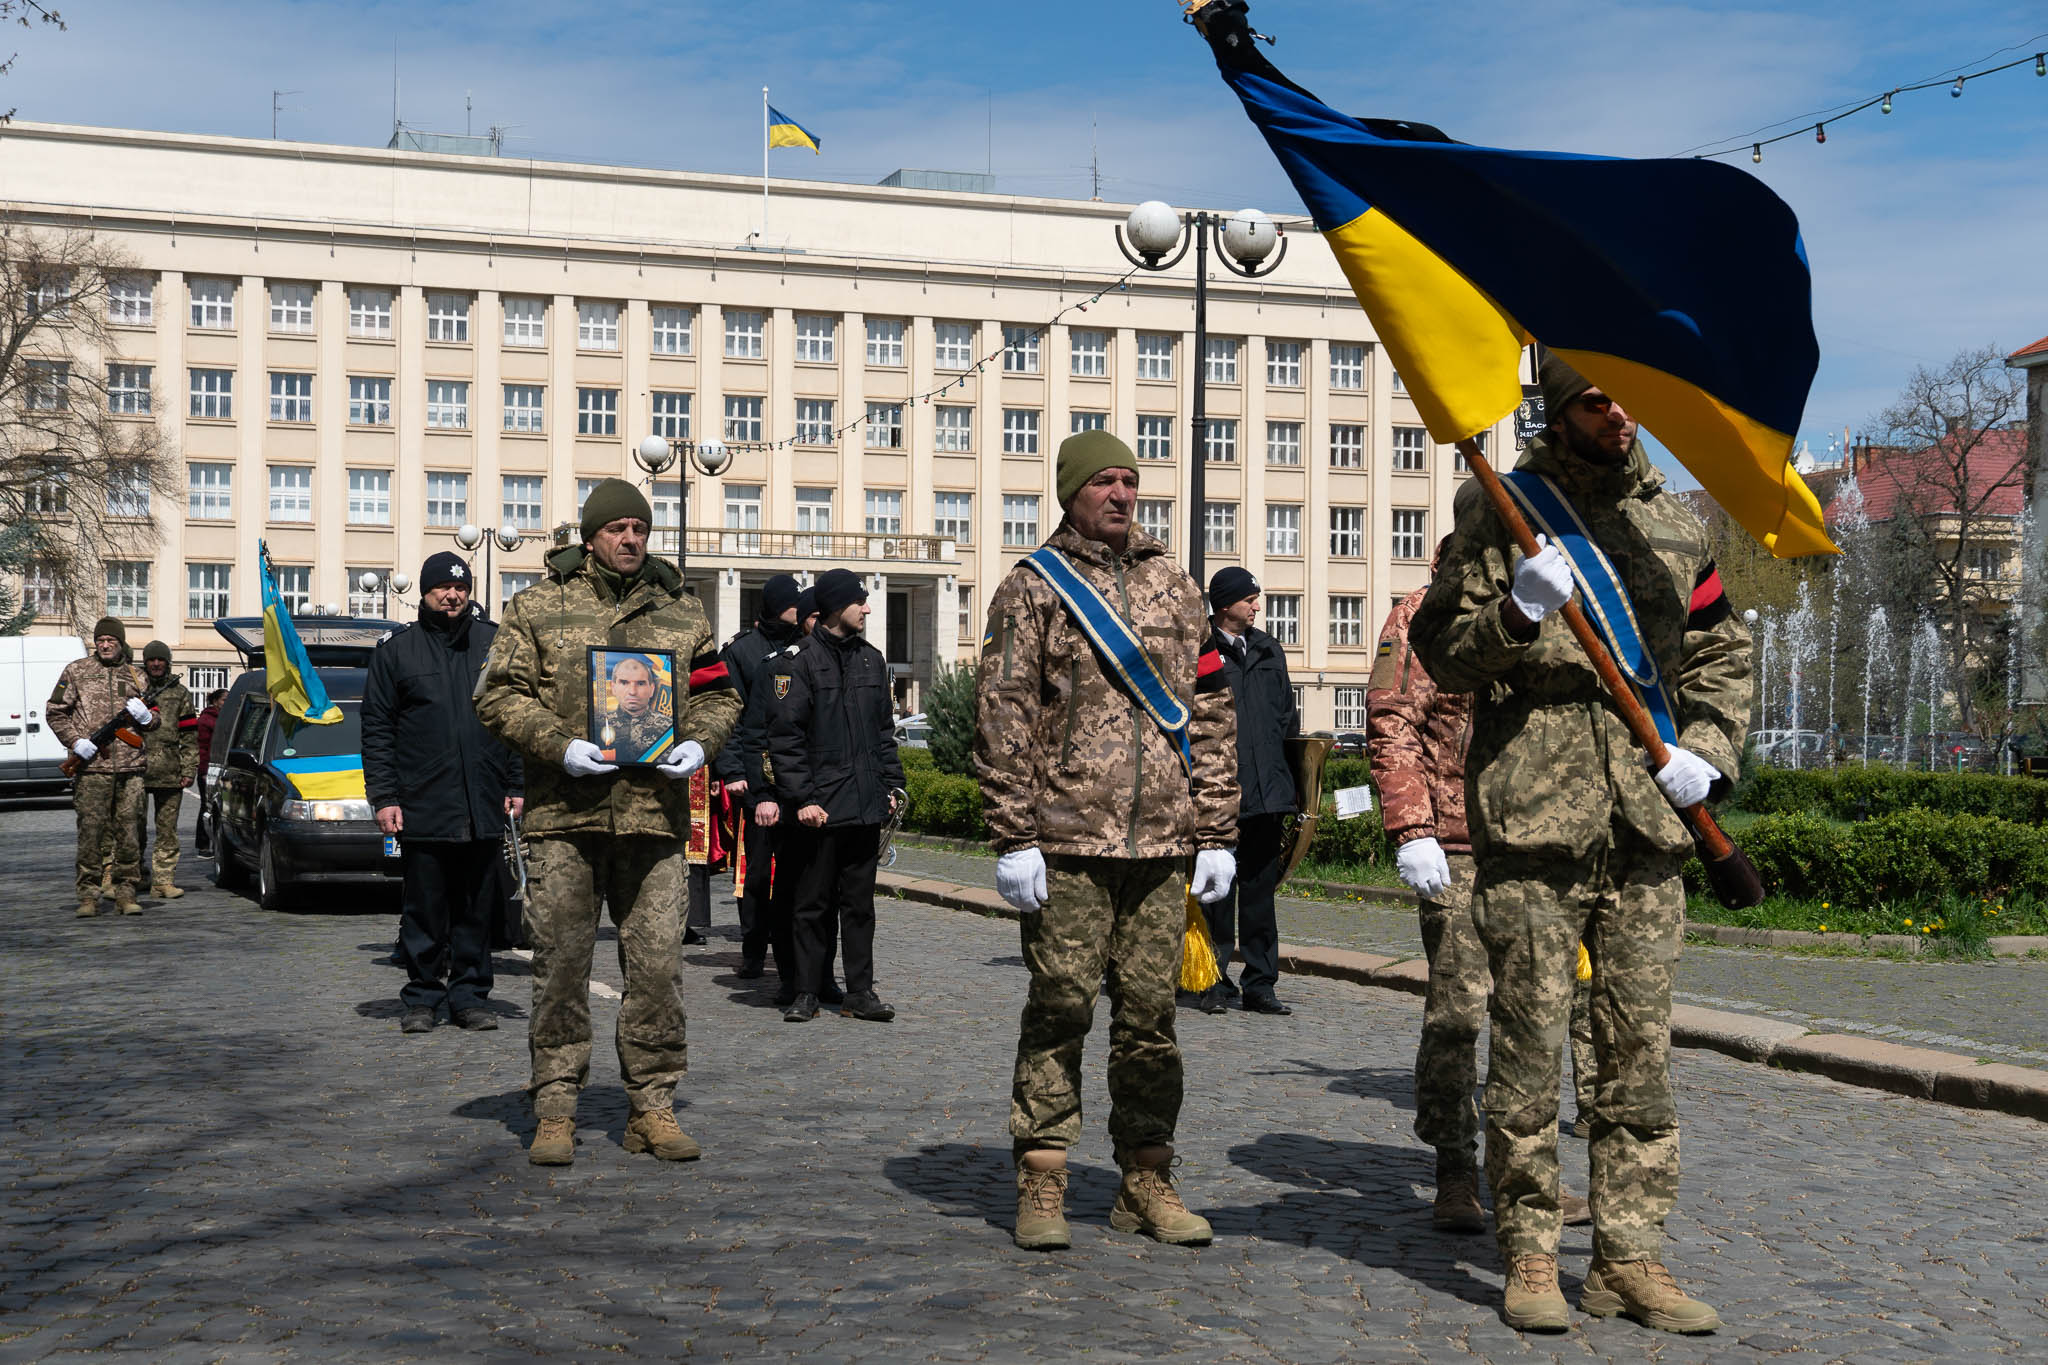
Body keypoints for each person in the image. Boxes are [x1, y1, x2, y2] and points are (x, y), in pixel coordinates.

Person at [1411, 354, 1751, 1335]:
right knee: (1525, 1044)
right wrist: (1514, 612)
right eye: (1596, 400)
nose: (1620, 415)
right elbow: (1440, 649)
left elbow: (1720, 652)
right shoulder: (1497, 510)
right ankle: (1526, 1250)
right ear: (1559, 414)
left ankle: (1626, 1257)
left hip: (1646, 816)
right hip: (1532, 805)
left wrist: (1710, 756)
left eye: (1625, 397)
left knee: (1635, 1051)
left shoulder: (1674, 527)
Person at [976, 430, 1239, 1252]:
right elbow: (1003, 711)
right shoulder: (1032, 587)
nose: (1122, 494)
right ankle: (1045, 1175)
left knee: (1152, 1017)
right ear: (1072, 492)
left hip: (1162, 844)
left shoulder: (1175, 584)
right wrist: (1013, 834)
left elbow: (1212, 709)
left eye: (1131, 479)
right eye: (1105, 482)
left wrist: (1219, 828)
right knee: (1059, 1007)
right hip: (1067, 841)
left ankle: (1146, 1176)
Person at [477, 478, 741, 1167]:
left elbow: (720, 692)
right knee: (562, 966)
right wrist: (558, 743)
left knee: (657, 967)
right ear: (591, 534)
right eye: (617, 528)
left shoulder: (682, 612)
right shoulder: (539, 606)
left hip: (654, 818)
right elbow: (497, 694)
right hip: (566, 815)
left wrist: (700, 742)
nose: (631, 540)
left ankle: (652, 1105)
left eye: (640, 528)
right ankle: (556, 1105)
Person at [1368, 546, 1594, 1235]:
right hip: (1456, 847)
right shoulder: (1420, 613)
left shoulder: (1549, 604)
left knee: (1537, 1018)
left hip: (1533, 842)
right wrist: (1412, 827)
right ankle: (1455, 1169)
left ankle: (1528, 1173)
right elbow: (1392, 721)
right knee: (1459, 1014)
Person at [364, 551, 527, 1035]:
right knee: (425, 907)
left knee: (478, 907)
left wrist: (517, 782)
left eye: (460, 587)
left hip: (483, 798)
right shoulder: (397, 652)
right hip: (423, 799)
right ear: (425, 591)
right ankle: (421, 996)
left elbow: (514, 718)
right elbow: (377, 729)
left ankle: (471, 996)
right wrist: (384, 796)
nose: (453, 595)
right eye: (443, 588)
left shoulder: (495, 644)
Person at [765, 568, 904, 1024]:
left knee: (860, 908)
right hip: (818, 810)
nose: (866, 608)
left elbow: (884, 733)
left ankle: (859, 992)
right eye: (859, 601)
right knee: (811, 905)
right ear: (834, 606)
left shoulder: (872, 659)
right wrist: (802, 798)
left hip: (864, 805)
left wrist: (890, 786)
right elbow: (785, 739)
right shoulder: (798, 661)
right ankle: (805, 991)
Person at [1194, 566, 1299, 1017]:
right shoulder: (1201, 651)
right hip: (1221, 794)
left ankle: (1260, 983)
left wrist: (1292, 787)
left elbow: (1285, 719)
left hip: (1268, 794)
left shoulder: (1268, 647)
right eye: (1249, 598)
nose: (1258, 605)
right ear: (1224, 605)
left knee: (1260, 894)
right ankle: (1212, 981)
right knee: (1218, 893)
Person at [715, 573, 805, 978]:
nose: (799, 608)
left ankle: (793, 949)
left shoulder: (805, 646)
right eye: (792, 602)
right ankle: (753, 949)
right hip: (755, 778)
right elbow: (729, 716)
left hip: (796, 778)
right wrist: (732, 770)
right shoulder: (743, 652)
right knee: (755, 873)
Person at [48, 618, 158, 917]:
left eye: (111, 640)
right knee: (90, 835)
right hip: (92, 769)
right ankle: (88, 896)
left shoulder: (137, 676)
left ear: (121, 643)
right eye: (100, 640)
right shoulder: (77, 671)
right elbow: (55, 712)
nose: (105, 645)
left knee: (130, 835)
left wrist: (147, 719)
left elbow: (156, 721)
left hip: (131, 768)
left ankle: (126, 893)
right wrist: (75, 741)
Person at [133, 640, 199, 900]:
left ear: (168, 662)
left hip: (170, 772)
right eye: (151, 660)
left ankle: (163, 880)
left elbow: (189, 734)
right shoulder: (133, 689)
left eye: (160, 659)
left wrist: (189, 767)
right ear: (145, 662)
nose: (156, 664)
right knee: (132, 829)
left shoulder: (180, 693)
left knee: (167, 831)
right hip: (136, 769)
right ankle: (134, 876)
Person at [192, 689, 227, 857]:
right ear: (215, 701)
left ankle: (219, 845)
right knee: (206, 806)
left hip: (223, 768)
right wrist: (204, 771)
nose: (226, 703)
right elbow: (203, 748)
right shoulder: (206, 720)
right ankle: (203, 845)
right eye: (223, 700)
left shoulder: (226, 718)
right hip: (208, 770)